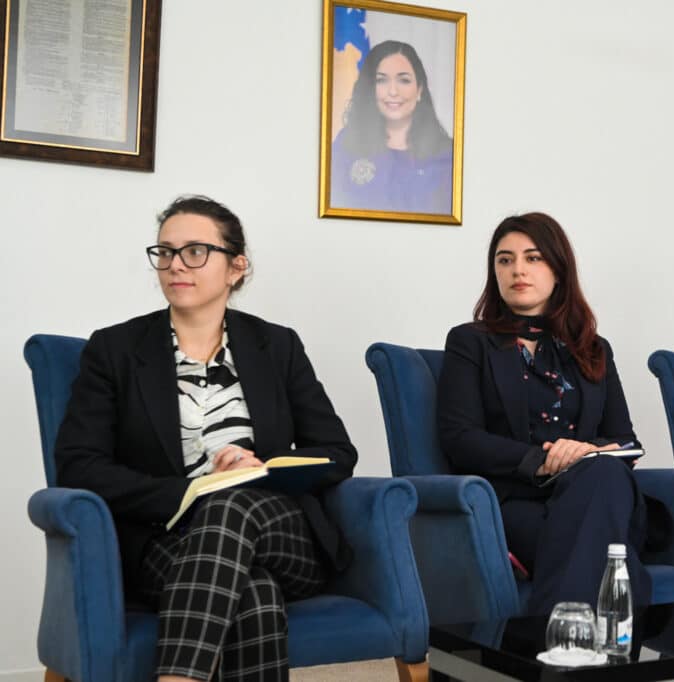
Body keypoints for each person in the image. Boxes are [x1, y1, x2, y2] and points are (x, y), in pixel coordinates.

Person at [54, 196, 358, 682]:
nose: (176, 264)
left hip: (280, 534)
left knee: (231, 504)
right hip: (167, 541)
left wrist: (259, 466)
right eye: (165, 252)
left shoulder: (277, 345)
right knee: (254, 594)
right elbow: (79, 464)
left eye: (195, 251)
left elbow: (338, 453)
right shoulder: (114, 349)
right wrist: (189, 491)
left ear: (236, 267)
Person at [436, 212, 654, 616]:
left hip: (593, 491)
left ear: (558, 269)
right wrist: (543, 460)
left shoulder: (594, 348)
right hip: (518, 500)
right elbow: (459, 437)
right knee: (614, 554)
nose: (517, 270)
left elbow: (625, 440)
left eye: (533, 258)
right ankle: (605, 648)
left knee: (603, 474)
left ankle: (557, 644)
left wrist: (583, 453)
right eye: (505, 260)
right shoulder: (470, 341)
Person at [331, 40, 453, 214]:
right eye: (381, 80)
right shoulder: (347, 145)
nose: (393, 91)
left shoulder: (447, 156)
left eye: (404, 80)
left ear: (419, 90)